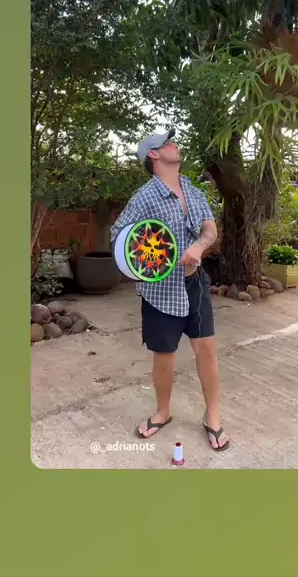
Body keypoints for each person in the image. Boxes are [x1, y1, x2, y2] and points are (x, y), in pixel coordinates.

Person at [110, 128, 230, 451]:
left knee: (207, 349)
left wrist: (198, 247)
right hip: (161, 291)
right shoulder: (144, 197)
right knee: (164, 357)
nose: (175, 145)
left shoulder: (191, 189)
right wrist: (148, 263)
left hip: (195, 284)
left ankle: (212, 416)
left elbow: (210, 229)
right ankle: (162, 412)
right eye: (168, 142)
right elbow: (119, 236)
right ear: (154, 154)